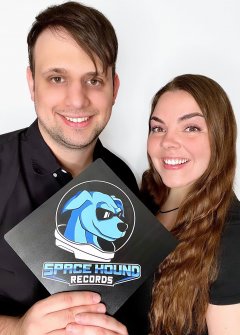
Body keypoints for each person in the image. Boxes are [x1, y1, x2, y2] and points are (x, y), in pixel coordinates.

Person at [0, 2, 140, 334]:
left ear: (114, 88)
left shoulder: (123, 180)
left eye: (93, 79)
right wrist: (15, 329)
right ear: (32, 84)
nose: (77, 100)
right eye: (57, 78)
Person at [141, 74, 240, 335]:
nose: (168, 141)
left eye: (191, 128)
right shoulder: (138, 205)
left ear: (220, 137)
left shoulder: (237, 239)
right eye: (158, 128)